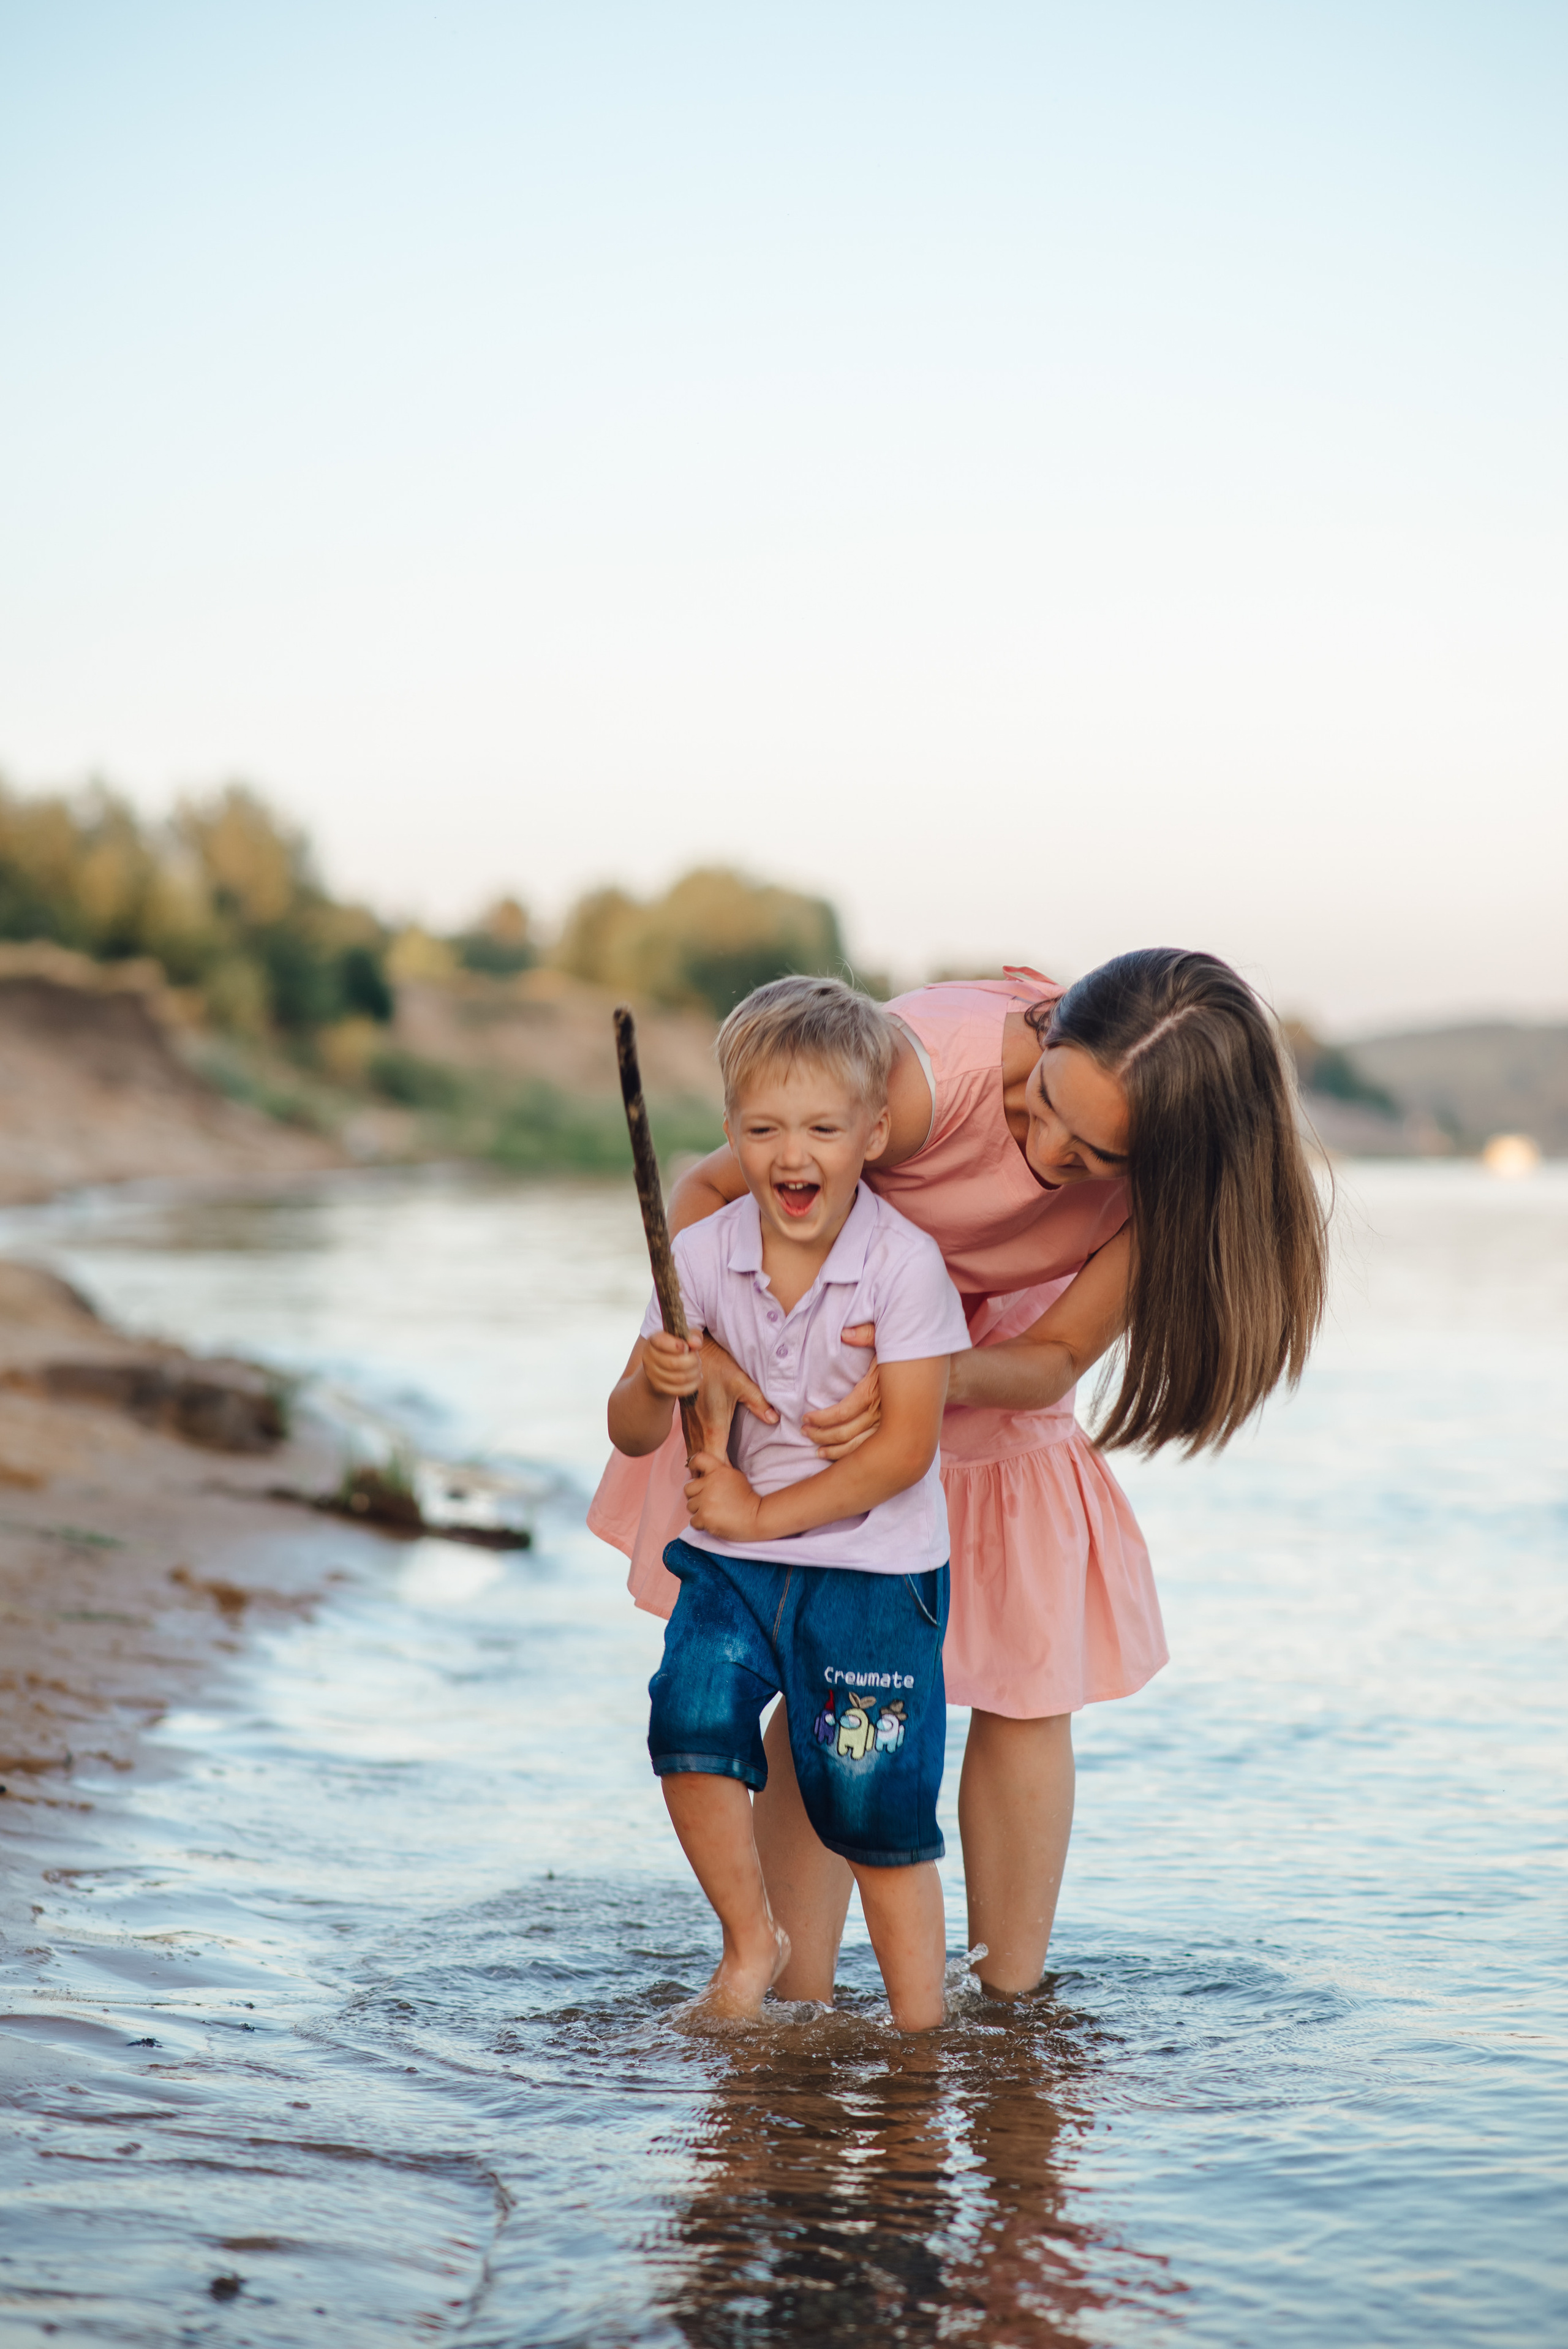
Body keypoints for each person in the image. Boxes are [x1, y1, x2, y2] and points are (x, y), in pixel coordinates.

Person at [592, 947, 1329, 2001]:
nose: (1048, 1146)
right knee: (828, 1665)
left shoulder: (1170, 1181)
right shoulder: (922, 1066)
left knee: (1030, 1681)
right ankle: (789, 1996)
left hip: (989, 1366)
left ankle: (1010, 2004)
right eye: (1046, 1103)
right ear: (1049, 1029)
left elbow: (1059, 1357)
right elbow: (717, 1188)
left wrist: (927, 1374)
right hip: (825, 1358)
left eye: (1093, 1154)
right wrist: (705, 1343)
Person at [605, 976, 971, 2029]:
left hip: (872, 1571)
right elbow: (629, 1429)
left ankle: (920, 2034)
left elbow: (904, 1450)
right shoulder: (700, 1259)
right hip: (734, 1564)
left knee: (873, 1807)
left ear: (875, 1132)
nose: (791, 1154)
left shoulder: (905, 1267)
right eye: (763, 1127)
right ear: (730, 1132)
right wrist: (657, 1381)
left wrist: (765, 1512)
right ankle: (750, 1940)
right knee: (689, 1714)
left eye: (820, 1126)